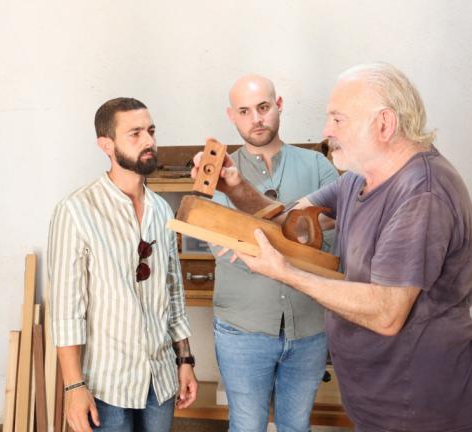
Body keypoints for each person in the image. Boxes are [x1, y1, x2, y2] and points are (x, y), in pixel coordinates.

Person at [195, 63, 472, 431]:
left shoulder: (422, 194)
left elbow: (388, 313)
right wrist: (234, 187)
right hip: (376, 397)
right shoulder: (359, 178)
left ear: (384, 124)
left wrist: (285, 273)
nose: (326, 131)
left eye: (338, 120)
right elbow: (291, 226)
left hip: (417, 404)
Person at [48, 97, 198, 432]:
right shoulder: (76, 211)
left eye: (151, 131)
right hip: (106, 386)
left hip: (159, 380)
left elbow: (173, 293)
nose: (148, 141)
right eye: (135, 134)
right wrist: (74, 387)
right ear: (106, 144)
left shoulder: (161, 210)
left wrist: (185, 360)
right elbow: (66, 311)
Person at [212, 75, 338, 432]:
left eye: (263, 107)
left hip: (309, 329)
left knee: (296, 427)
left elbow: (334, 242)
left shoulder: (318, 168)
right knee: (247, 426)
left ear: (278, 105)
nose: (256, 119)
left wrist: (261, 234)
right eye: (245, 111)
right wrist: (303, 232)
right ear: (231, 116)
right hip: (242, 330)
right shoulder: (221, 175)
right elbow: (224, 246)